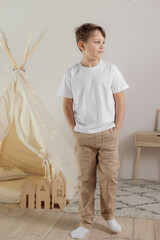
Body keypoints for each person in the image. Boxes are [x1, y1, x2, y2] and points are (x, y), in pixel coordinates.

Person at [57, 23, 129, 239]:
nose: (102, 46)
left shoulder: (111, 70)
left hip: (108, 134)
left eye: (103, 42)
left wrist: (116, 129)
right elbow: (67, 105)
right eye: (96, 42)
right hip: (83, 137)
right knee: (85, 181)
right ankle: (85, 222)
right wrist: (74, 130)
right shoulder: (72, 74)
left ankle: (109, 216)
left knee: (110, 178)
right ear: (82, 45)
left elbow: (120, 102)